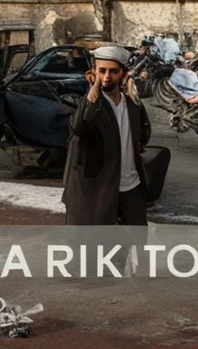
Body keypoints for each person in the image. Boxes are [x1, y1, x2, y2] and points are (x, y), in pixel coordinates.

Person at [61, 45, 154, 227]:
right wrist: (92, 96)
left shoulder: (132, 104)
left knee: (136, 241)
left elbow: (143, 134)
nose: (106, 77)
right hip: (99, 188)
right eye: (101, 71)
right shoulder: (89, 104)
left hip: (131, 185)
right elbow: (80, 127)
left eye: (113, 71)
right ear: (93, 73)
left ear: (123, 73)